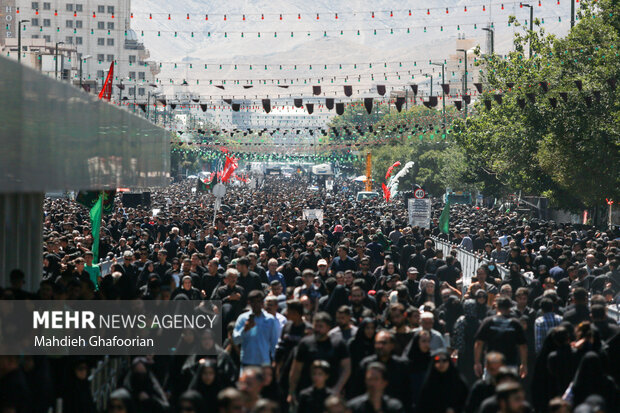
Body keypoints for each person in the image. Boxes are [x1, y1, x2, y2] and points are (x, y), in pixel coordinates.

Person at [288, 312, 351, 404]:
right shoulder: (305, 343)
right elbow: (296, 370)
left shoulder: (338, 344)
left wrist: (337, 388)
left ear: (328, 327)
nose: (317, 329)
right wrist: (291, 392)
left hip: (331, 394)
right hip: (308, 394)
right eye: (316, 326)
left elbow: (346, 368)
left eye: (321, 326)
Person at [474, 296, 528, 379]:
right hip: (510, 364)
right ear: (510, 308)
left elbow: (479, 343)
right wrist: (523, 364)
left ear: (496, 307)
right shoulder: (515, 324)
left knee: (490, 389)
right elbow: (523, 346)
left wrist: (477, 363)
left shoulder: (488, 322)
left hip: (491, 365)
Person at [233, 290, 280, 371]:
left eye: (259, 302)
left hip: (264, 362)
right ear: (249, 303)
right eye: (253, 302)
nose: (256, 304)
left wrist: (275, 360)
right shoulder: (243, 318)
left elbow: (274, 342)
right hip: (247, 362)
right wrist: (245, 329)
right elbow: (236, 340)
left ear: (263, 303)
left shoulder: (270, 319)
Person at [416, 349, 469, 413]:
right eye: (437, 360)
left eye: (444, 360)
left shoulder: (458, 382)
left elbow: (466, 404)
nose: (441, 363)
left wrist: (455, 410)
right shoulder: (429, 384)